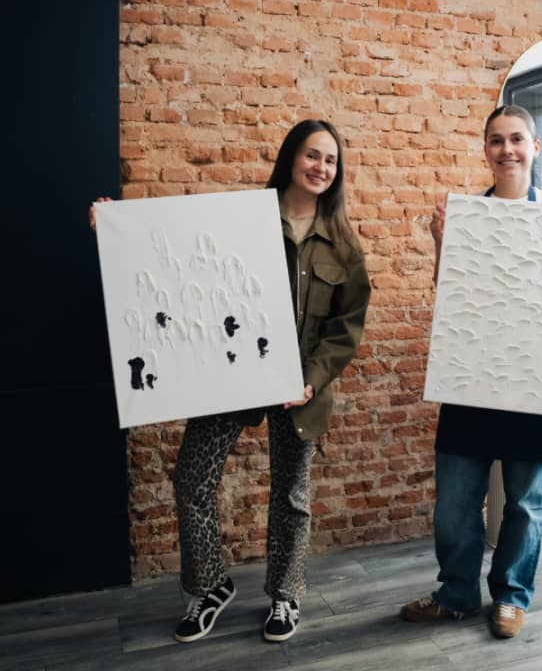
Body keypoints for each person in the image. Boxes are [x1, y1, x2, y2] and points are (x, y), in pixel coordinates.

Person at [90, 119, 371, 644]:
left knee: (291, 494)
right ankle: (209, 587)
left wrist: (311, 381)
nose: (321, 167)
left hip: (300, 387)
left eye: (331, 160)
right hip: (232, 375)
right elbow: (175, 256)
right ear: (291, 157)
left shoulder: (342, 244)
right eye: (312, 155)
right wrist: (113, 227)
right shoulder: (241, 220)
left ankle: (285, 594)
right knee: (192, 478)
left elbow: (346, 326)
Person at [400, 105, 542, 639]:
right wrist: (443, 243)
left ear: (536, 147)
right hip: (474, 377)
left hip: (541, 383)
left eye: (517, 139)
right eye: (496, 140)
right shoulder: (468, 215)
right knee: (455, 504)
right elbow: (455, 301)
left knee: (526, 504)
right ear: (485, 150)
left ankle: (512, 597)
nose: (507, 149)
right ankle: (456, 595)